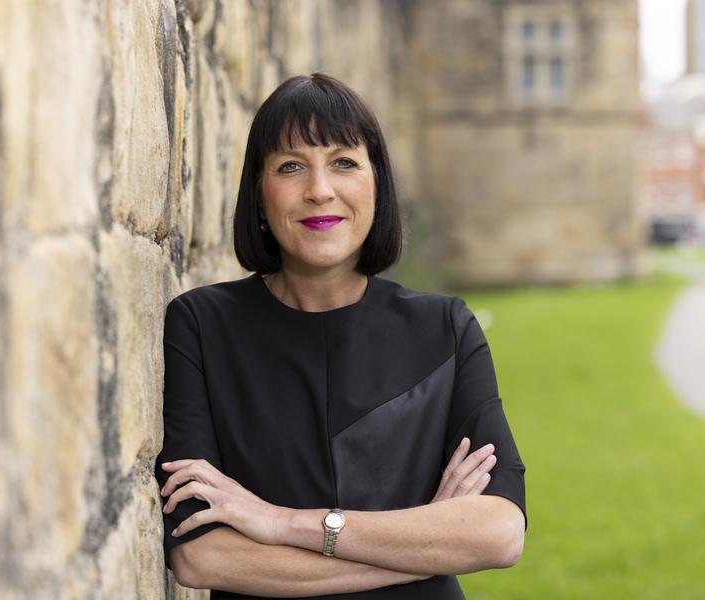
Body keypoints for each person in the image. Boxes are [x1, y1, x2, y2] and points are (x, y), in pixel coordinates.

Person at [153, 72, 527, 599]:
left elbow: (498, 533)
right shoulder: (202, 326)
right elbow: (201, 556)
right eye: (290, 167)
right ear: (260, 195)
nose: (320, 190)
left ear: (377, 185)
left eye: (345, 163)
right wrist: (424, 554)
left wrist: (279, 522)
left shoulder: (444, 329)